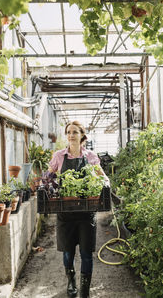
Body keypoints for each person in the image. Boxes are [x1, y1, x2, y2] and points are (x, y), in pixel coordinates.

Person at [47, 120, 109, 298]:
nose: (71, 135)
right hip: (65, 213)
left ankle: (84, 290)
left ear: (82, 135)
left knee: (86, 253)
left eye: (75, 132)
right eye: (68, 132)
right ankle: (71, 281)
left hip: (86, 213)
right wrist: (47, 185)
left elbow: (102, 176)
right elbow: (48, 177)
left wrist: (106, 184)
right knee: (67, 252)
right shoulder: (59, 156)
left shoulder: (90, 156)